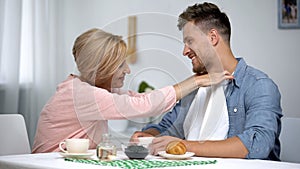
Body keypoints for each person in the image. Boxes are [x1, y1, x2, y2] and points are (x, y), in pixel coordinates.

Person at [32, 28, 232, 153]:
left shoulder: (94, 89)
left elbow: (139, 98)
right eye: (120, 65)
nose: (127, 70)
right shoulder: (81, 94)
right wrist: (197, 81)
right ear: (101, 68)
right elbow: (143, 106)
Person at [131, 2, 283, 161]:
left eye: (190, 41)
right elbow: (167, 128)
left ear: (212, 38)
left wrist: (185, 146)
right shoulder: (197, 86)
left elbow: (258, 144)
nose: (185, 51)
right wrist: (148, 135)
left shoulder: (258, 85)